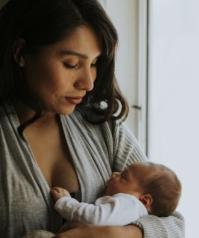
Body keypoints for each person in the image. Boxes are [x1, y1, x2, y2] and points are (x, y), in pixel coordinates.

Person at [0, 0, 184, 238]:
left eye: (94, 63)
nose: (88, 83)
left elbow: (173, 224)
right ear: (21, 53)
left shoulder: (102, 126)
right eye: (72, 64)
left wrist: (118, 234)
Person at [51, 162, 181, 226]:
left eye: (123, 176)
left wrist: (66, 203)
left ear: (145, 200)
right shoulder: (135, 212)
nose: (114, 174)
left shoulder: (131, 204)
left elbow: (95, 218)